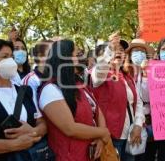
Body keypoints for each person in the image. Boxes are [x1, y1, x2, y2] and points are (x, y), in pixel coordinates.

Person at [38, 39, 110, 161]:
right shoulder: (50, 89)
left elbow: (97, 110)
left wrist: (101, 137)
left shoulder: (78, 83)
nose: (82, 57)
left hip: (89, 154)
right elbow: (70, 128)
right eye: (77, 54)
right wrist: (102, 133)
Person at [0, 39, 46, 161]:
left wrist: (34, 132)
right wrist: (14, 145)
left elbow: (42, 123)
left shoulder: (25, 91)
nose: (10, 61)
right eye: (4, 57)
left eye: (11, 56)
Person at [91, 32, 145, 161]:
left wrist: (138, 125)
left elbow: (138, 103)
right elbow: (100, 72)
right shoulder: (99, 73)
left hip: (130, 136)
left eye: (121, 50)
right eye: (116, 49)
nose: (118, 52)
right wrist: (110, 48)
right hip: (110, 138)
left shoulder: (127, 76)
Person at [124, 38, 155, 161]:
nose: (139, 53)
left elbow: (147, 97)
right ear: (130, 54)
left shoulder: (150, 72)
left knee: (148, 156)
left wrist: (145, 74)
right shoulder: (124, 73)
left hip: (148, 123)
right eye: (136, 50)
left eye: (142, 51)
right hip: (129, 124)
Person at [22, 40, 53, 109]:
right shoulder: (30, 80)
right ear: (40, 56)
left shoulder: (55, 78)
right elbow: (35, 115)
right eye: (52, 53)